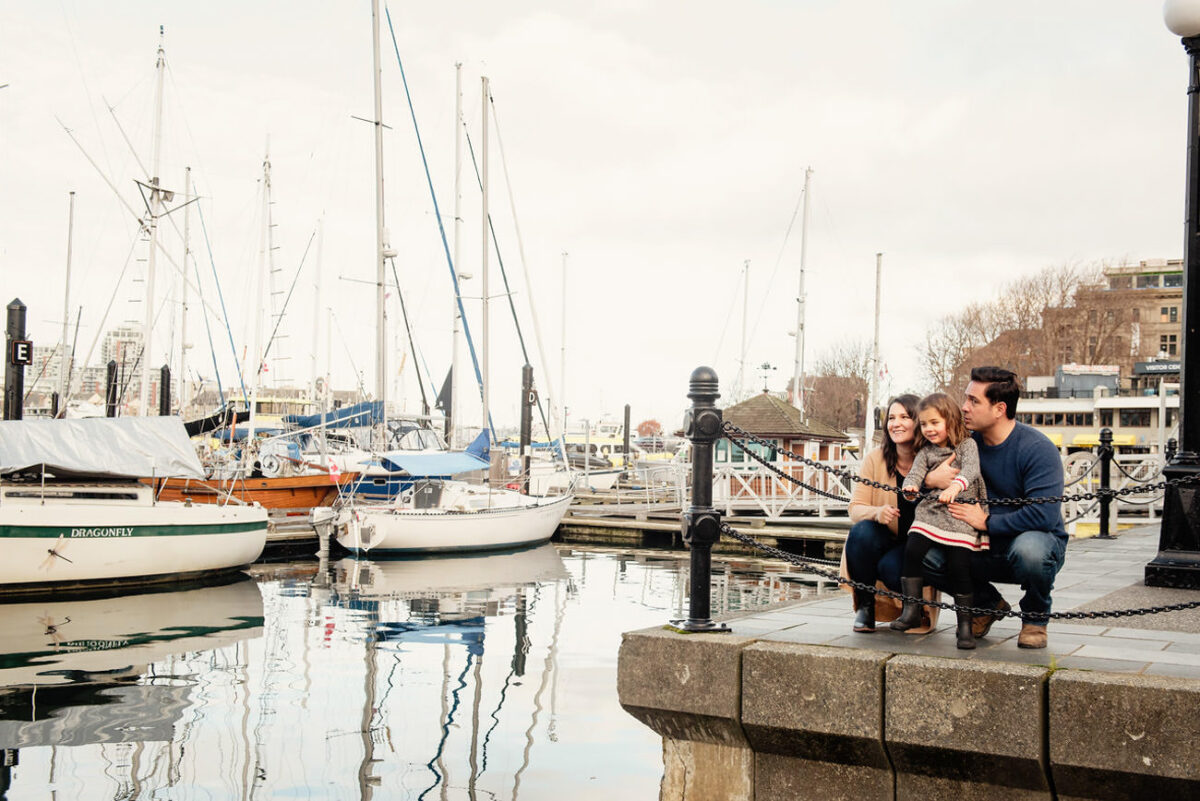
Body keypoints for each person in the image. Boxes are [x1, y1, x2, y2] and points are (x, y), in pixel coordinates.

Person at [924, 366, 1067, 649]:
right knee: (923, 551)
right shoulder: (963, 445)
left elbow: (1044, 515)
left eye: (974, 401)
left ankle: (1035, 619)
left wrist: (987, 522)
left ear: (1000, 408)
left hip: (1025, 542)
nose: (964, 407)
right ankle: (985, 605)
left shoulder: (1037, 449)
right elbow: (927, 491)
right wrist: (930, 480)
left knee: (1032, 551)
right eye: (966, 398)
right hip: (975, 545)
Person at [890, 393, 988, 649]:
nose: (929, 429)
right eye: (924, 424)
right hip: (932, 511)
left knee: (959, 568)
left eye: (935, 422)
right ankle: (912, 609)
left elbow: (971, 471)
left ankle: (965, 626)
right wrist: (911, 487)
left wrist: (955, 487)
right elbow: (915, 474)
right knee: (912, 549)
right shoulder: (925, 451)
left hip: (959, 512)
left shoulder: (966, 446)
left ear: (950, 419)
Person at [841, 394, 940, 633]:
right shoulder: (876, 458)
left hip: (921, 544)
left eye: (905, 417)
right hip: (886, 536)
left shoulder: (936, 457)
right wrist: (877, 512)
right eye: (891, 418)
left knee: (891, 568)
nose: (896, 423)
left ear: (919, 421)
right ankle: (866, 608)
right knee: (861, 532)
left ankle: (917, 610)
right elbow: (855, 508)